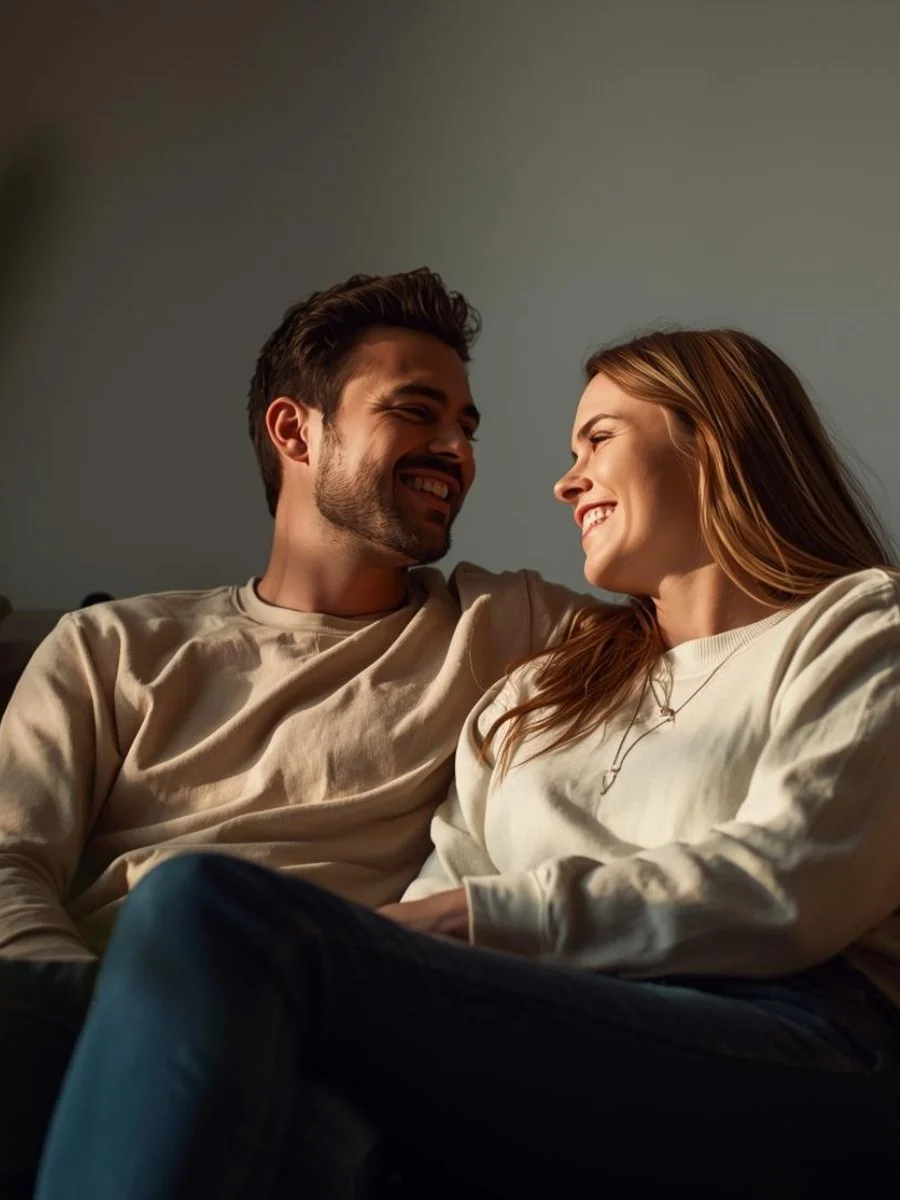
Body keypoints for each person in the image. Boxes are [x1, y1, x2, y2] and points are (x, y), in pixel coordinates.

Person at [34, 329, 900, 1199]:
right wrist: (422, 940)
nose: (565, 482)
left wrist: (465, 923)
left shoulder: (858, 628)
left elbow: (794, 882)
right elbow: (441, 890)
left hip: (788, 1028)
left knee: (204, 904)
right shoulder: (540, 690)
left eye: (597, 439)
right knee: (295, 1114)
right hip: (552, 1031)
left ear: (713, 437)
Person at [0, 269, 589, 1198]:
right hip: (84, 1002)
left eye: (467, 426)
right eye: (416, 411)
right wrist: (94, 1019)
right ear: (294, 431)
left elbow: (722, 626)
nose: (457, 450)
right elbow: (7, 859)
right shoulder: (112, 647)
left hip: (312, 1032)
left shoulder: (505, 625)